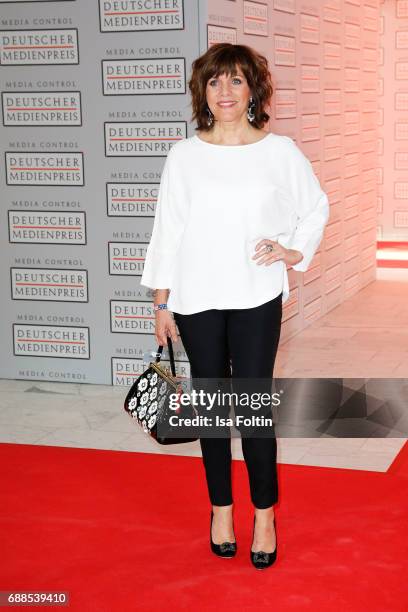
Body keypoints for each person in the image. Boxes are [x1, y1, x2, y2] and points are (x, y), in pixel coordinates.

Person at [140, 43, 329, 569]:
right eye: (215, 81)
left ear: (253, 91)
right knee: (211, 411)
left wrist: (293, 251)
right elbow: (167, 230)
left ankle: (264, 513)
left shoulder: (279, 151)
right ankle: (221, 509)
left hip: (255, 296)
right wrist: (162, 302)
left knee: (251, 410)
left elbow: (315, 206)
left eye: (236, 81)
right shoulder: (184, 155)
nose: (224, 91)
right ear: (203, 90)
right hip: (196, 299)